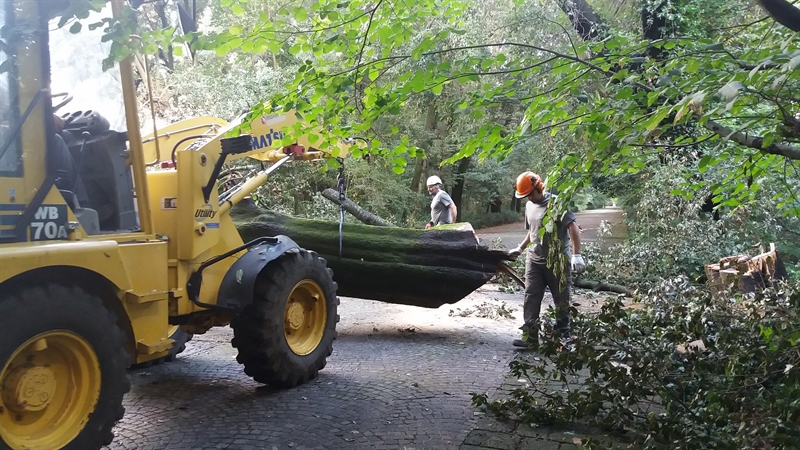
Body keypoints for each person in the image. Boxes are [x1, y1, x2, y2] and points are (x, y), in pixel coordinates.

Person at [507, 171, 586, 348]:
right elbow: (533, 231)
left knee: (561, 298)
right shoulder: (529, 206)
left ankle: (563, 336)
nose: (528, 198)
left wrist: (576, 254)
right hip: (534, 260)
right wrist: (520, 248)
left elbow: (572, 227)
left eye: (530, 194)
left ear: (539, 187)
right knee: (531, 296)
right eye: (525, 196)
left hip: (557, 261)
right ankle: (530, 337)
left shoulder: (557, 204)